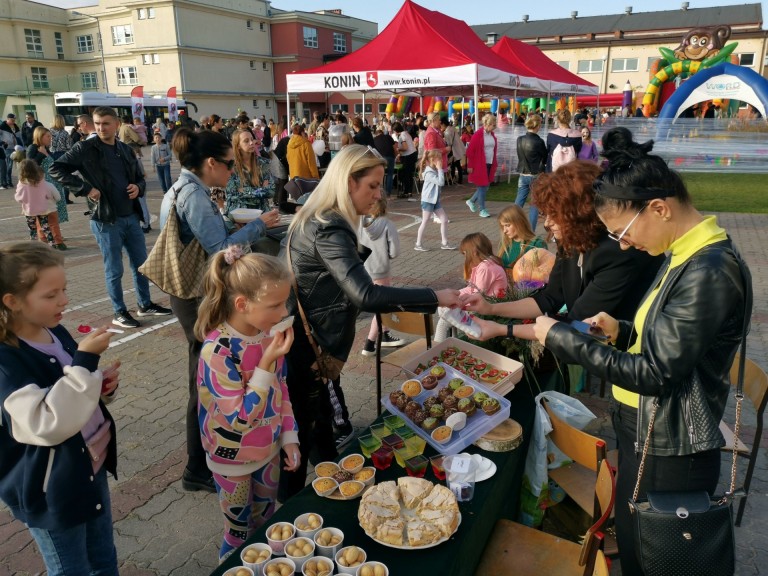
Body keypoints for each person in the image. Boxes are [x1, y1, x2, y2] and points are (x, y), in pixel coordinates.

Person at [532, 128, 751, 576]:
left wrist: (561, 337)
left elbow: (657, 373)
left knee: (659, 557)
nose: (624, 244)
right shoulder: (683, 254)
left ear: (659, 209)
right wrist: (623, 330)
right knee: (636, 547)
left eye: (623, 232)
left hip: (674, 445)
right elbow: (670, 339)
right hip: (648, 431)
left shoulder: (709, 269)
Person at [278, 144, 461, 502]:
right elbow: (367, 296)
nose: (380, 194)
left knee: (316, 428)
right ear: (348, 182)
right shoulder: (330, 228)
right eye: (373, 186)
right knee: (300, 436)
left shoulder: (317, 217)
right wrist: (438, 296)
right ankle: (283, 522)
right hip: (308, 347)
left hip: (303, 341)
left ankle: (335, 490)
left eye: (381, 185)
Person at [463, 161, 665, 391]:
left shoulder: (618, 253)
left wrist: (502, 329)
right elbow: (548, 298)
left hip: (638, 361)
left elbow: (576, 327)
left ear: (580, 215)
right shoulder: (573, 242)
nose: (547, 223)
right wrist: (490, 308)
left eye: (553, 215)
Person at [159, 127, 280, 494]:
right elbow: (219, 248)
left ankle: (205, 462)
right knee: (204, 379)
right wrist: (259, 224)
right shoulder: (192, 193)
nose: (231, 171)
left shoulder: (184, 189)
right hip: (196, 294)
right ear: (210, 163)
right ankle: (200, 466)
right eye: (228, 164)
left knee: (202, 375)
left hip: (192, 293)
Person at [0, 243, 121, 576]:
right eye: (51, 295)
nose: (64, 300)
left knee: (103, 557)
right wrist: (84, 362)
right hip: (50, 490)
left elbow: (71, 390)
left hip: (88, 470)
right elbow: (45, 422)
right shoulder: (6, 361)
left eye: (64, 290)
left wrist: (99, 386)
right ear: (12, 302)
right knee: (72, 569)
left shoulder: (54, 331)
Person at [194, 247, 299, 560]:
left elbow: (281, 389)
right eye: (275, 305)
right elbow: (239, 419)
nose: (283, 313)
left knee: (266, 523)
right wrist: (266, 363)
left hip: (268, 451)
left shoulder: (266, 334)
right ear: (242, 304)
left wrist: (289, 436)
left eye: (285, 302)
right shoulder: (218, 352)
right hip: (232, 459)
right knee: (239, 533)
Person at [50, 106, 171, 328]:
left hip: (130, 217)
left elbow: (139, 178)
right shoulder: (85, 147)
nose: (101, 128)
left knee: (141, 264)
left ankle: (145, 304)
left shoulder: (124, 149)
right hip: (106, 220)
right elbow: (56, 168)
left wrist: (138, 187)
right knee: (114, 269)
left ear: (116, 124)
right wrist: (85, 189)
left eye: (106, 123)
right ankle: (119, 311)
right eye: (97, 123)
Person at [435, 232, 508, 342]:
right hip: (489, 303)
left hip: (488, 308)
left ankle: (437, 348)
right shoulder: (489, 263)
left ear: (474, 253)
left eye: (465, 254)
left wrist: (457, 301)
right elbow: (473, 289)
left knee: (444, 320)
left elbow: (478, 294)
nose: (465, 257)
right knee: (447, 313)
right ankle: (453, 341)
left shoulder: (485, 268)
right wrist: (456, 295)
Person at [358, 198, 406, 356]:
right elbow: (395, 251)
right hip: (380, 269)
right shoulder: (387, 224)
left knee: (377, 303)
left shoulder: (359, 221)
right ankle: (370, 343)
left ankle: (385, 334)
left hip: (362, 268)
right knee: (382, 306)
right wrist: (385, 255)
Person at [27, 127, 69, 249]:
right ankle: (50, 238)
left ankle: (55, 235)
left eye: (50, 136)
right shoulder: (33, 148)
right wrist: (41, 155)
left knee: (55, 211)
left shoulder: (46, 148)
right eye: (48, 137)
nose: (50, 139)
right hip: (42, 185)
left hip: (53, 183)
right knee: (46, 213)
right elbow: (30, 165)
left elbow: (53, 163)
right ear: (40, 136)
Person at [224, 129, 275, 215]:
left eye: (252, 139)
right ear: (238, 145)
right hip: (238, 213)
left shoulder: (264, 163)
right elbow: (232, 194)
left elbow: (271, 191)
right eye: (246, 141)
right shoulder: (231, 166)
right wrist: (261, 190)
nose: (251, 143)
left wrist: (243, 191)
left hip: (262, 212)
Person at [415, 150, 455, 252]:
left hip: (435, 200)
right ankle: (418, 244)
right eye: (439, 158)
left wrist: (439, 169)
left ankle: (444, 243)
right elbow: (441, 182)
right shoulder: (429, 173)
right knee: (425, 221)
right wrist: (440, 169)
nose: (441, 160)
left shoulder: (433, 171)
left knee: (444, 220)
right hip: (428, 201)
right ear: (432, 160)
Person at [14, 159, 60, 246]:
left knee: (32, 230)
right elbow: (48, 194)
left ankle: (34, 246)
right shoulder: (41, 181)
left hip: (29, 210)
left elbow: (19, 198)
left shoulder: (22, 183)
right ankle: (52, 244)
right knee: (46, 228)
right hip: (43, 208)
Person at [497, 204, 548, 282]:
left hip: (528, 291)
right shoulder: (504, 244)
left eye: (507, 225)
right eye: (503, 226)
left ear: (519, 222)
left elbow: (543, 275)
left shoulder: (537, 244)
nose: (504, 231)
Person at [514, 114, 547, 231]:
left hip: (523, 174)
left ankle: (512, 225)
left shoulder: (520, 139)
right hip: (535, 175)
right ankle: (531, 231)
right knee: (534, 204)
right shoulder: (539, 141)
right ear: (537, 126)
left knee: (519, 201)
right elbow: (545, 158)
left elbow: (520, 156)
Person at [465, 113, 498, 218]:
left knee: (485, 186)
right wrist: (470, 165)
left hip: (489, 162)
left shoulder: (491, 134)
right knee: (483, 186)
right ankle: (482, 209)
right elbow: (470, 151)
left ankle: (471, 201)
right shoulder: (478, 134)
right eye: (493, 125)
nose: (495, 127)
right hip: (480, 164)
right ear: (487, 124)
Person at [546, 108, 582, 172]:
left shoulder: (551, 135)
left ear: (558, 120)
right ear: (570, 120)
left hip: (553, 171)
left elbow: (548, 150)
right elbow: (579, 151)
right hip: (570, 170)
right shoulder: (578, 136)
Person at [392, 122, 417, 198]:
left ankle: (406, 192)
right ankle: (409, 192)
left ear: (395, 130)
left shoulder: (402, 136)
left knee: (406, 174)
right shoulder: (406, 133)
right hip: (412, 154)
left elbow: (405, 147)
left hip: (408, 156)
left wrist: (398, 149)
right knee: (409, 174)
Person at [372, 128, 397, 197]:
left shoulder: (374, 139)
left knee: (380, 174)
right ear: (382, 133)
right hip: (390, 157)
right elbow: (395, 147)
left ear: (376, 134)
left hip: (380, 158)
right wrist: (395, 156)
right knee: (390, 174)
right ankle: (388, 192)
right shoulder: (388, 136)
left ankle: (380, 191)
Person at [0, 113, 20, 189]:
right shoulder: (2, 126)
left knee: (13, 166)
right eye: (12, 120)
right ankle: (8, 181)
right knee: (9, 165)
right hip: (7, 148)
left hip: (15, 148)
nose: (13, 121)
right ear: (7, 119)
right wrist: (3, 143)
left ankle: (8, 181)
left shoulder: (15, 126)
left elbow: (19, 137)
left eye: (14, 120)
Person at [443, 117, 465, 185]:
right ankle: (458, 179)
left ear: (443, 124)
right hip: (458, 148)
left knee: (453, 164)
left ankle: (452, 179)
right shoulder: (452, 128)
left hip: (454, 149)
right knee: (457, 164)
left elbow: (449, 143)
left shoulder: (447, 132)